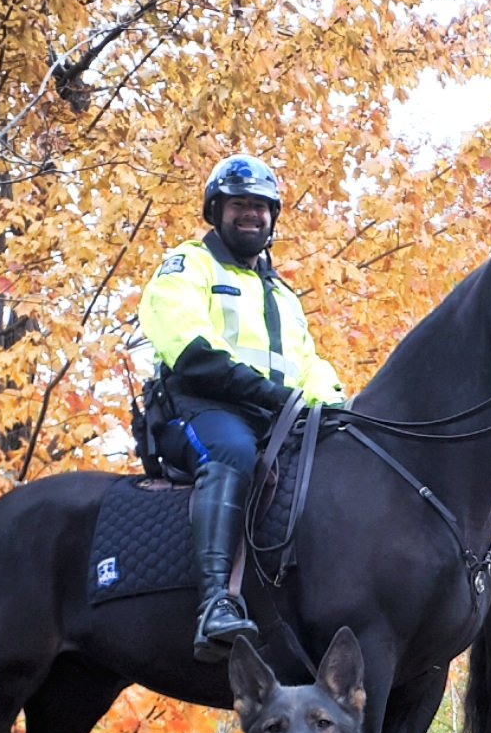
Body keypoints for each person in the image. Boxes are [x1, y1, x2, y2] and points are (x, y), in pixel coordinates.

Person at [140, 153, 347, 662]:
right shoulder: (188, 265)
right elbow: (189, 347)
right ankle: (215, 603)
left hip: (274, 418)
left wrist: (339, 409)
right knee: (231, 452)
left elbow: (309, 365)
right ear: (216, 211)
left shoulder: (284, 296)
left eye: (260, 206)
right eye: (239, 205)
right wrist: (265, 394)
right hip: (200, 408)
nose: (251, 215)